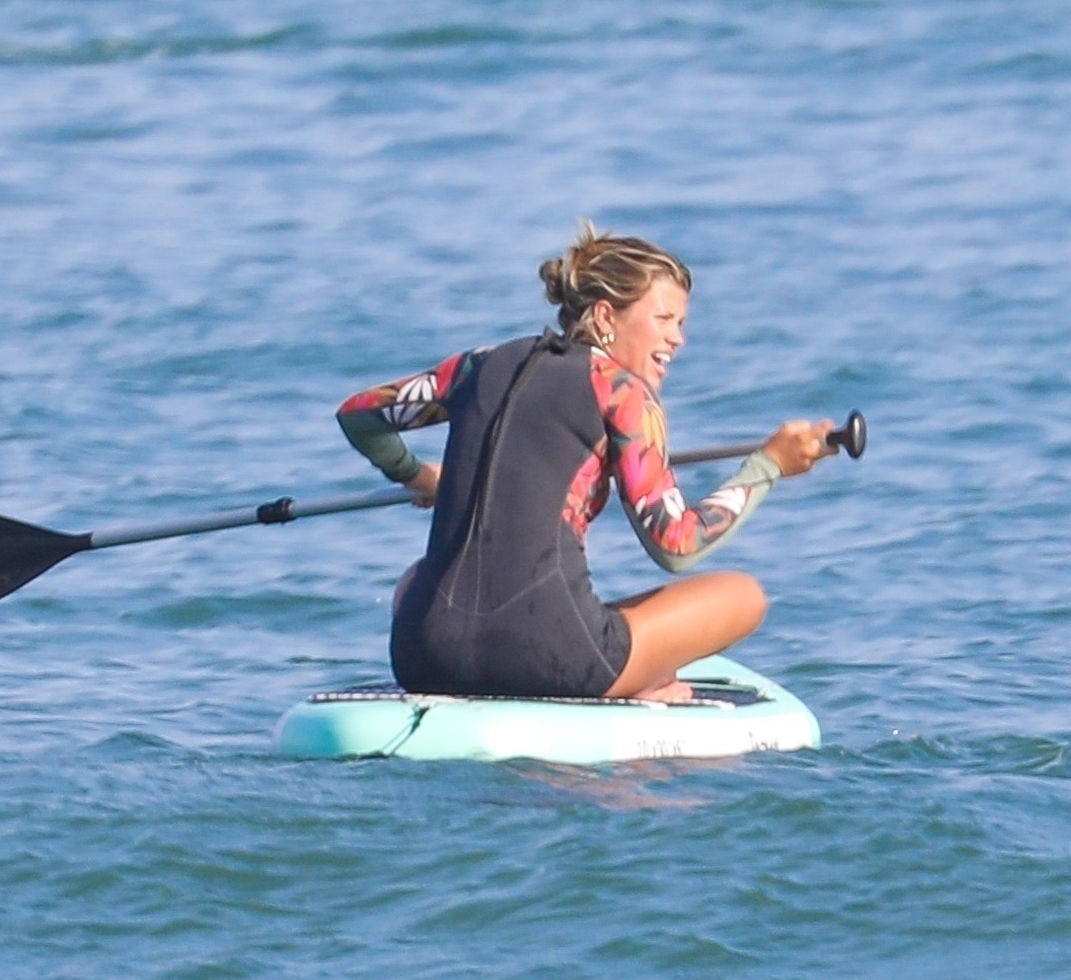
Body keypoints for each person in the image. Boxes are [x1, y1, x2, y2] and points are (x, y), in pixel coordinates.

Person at [336, 222, 839, 703]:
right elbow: (678, 545)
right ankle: (632, 678)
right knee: (743, 596)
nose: (678, 339)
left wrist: (420, 476)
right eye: (663, 320)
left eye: (681, 324)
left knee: (419, 578)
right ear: (604, 317)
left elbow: (360, 415)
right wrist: (768, 466)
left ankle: (610, 660)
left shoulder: (479, 365)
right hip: (545, 658)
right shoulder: (622, 393)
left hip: (424, 654)